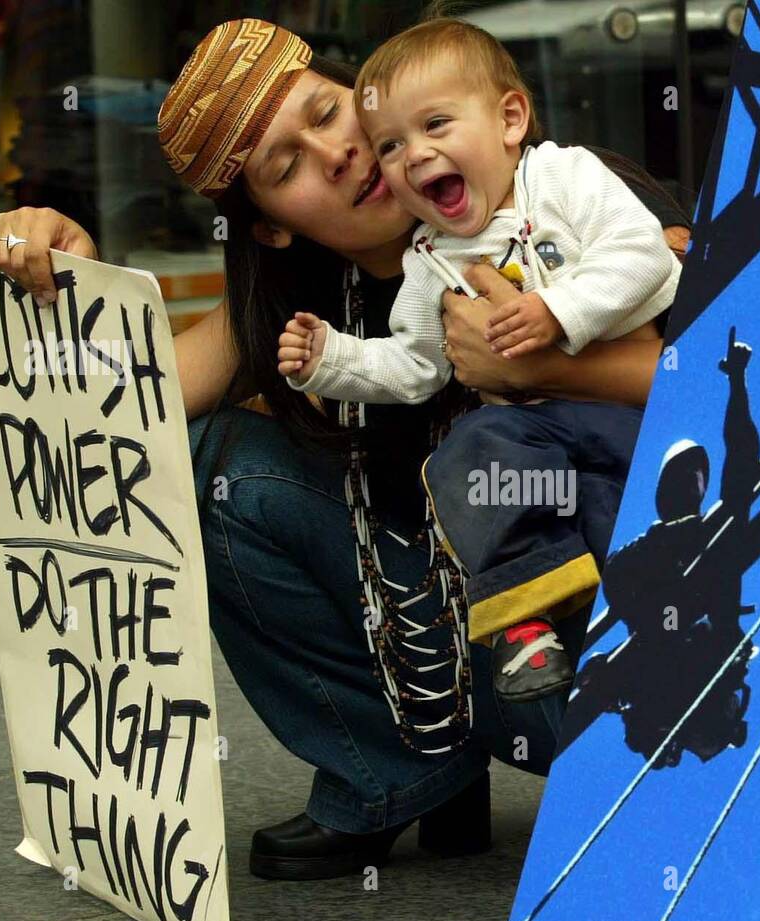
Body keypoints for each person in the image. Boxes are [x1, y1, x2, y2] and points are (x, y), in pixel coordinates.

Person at [0, 17, 690, 880]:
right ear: (274, 227)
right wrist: (71, 287)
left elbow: (741, 368)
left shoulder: (559, 186)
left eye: (327, 112)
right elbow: (122, 407)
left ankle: (653, 773)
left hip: (608, 613)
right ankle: (402, 771)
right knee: (218, 468)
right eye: (286, 167)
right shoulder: (301, 304)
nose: (339, 155)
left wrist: (545, 360)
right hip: (442, 628)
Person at [275, 18, 680, 704]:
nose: (414, 154)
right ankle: (526, 621)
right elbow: (414, 367)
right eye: (392, 145)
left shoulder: (565, 176)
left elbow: (647, 257)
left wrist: (560, 312)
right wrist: (331, 359)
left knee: (637, 510)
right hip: (536, 441)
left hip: (632, 419)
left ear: (510, 118)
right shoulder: (430, 259)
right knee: (470, 449)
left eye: (436, 125)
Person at [567, 329, 760, 767]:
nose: (693, 485)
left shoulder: (713, 545)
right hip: (663, 672)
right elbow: (618, 583)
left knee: (718, 575)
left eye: (696, 478)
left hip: (696, 669)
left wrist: (737, 381)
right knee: (608, 668)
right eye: (683, 477)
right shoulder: (636, 562)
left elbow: (743, 468)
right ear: (664, 493)